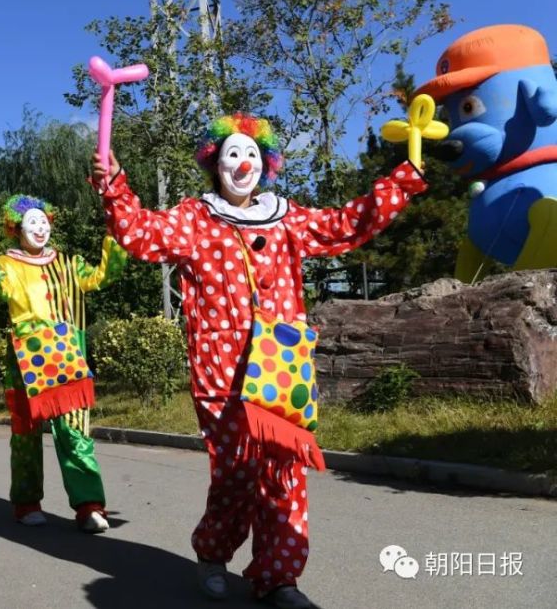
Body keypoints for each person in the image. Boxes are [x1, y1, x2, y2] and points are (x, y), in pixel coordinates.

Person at [92, 114, 427, 608]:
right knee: (236, 473)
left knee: (285, 472)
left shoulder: (286, 217)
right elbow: (138, 234)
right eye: (231, 154)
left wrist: (406, 176)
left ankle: (279, 576)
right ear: (214, 163)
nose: (241, 163)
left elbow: (347, 224)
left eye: (251, 154)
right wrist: (114, 185)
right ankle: (212, 552)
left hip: (281, 368)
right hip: (220, 371)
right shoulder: (193, 219)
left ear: (265, 164)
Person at [0, 194, 127, 533]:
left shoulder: (68, 264)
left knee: (75, 434)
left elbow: (100, 277)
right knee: (25, 436)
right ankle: (26, 503)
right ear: (17, 229)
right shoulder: (6, 265)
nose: (39, 228)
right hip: (25, 362)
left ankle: (90, 506)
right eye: (31, 223)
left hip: (68, 357)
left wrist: (115, 234)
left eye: (43, 222)